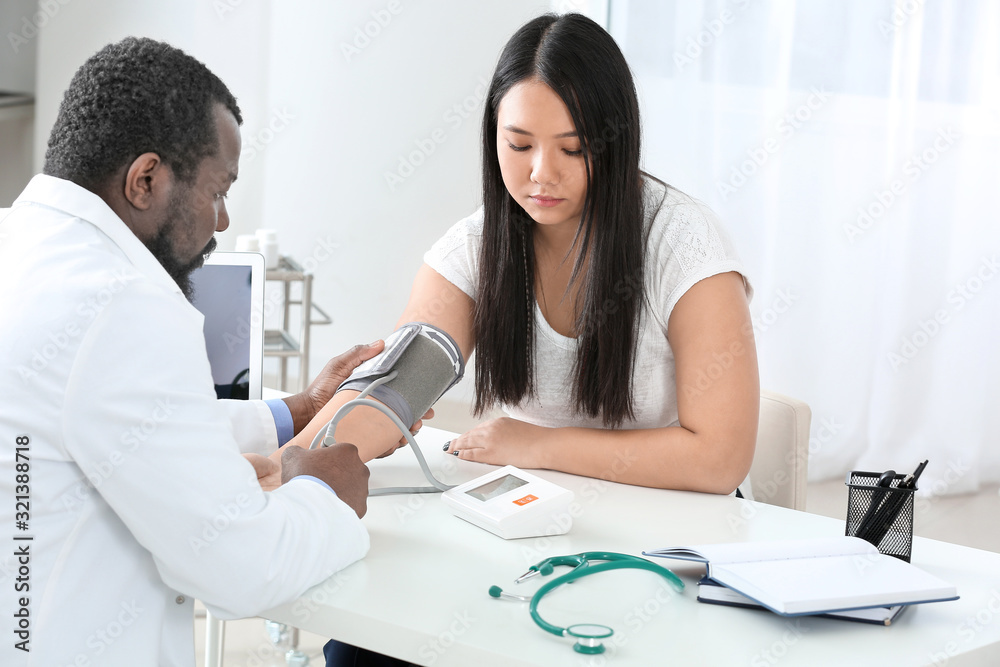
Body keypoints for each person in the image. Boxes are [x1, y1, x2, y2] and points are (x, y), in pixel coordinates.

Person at [308, 12, 760, 666]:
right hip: (535, 520)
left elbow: (720, 458)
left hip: (665, 532)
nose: (541, 173)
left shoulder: (686, 247)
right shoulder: (475, 244)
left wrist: (541, 444)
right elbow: (395, 389)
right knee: (362, 647)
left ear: (615, 141)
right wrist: (288, 463)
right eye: (518, 145)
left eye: (572, 149)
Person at [0, 37, 391, 666]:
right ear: (146, 179)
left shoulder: (21, 244)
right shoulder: (121, 302)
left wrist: (300, 408)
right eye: (218, 192)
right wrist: (325, 493)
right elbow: (241, 568)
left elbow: (122, 422)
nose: (223, 221)